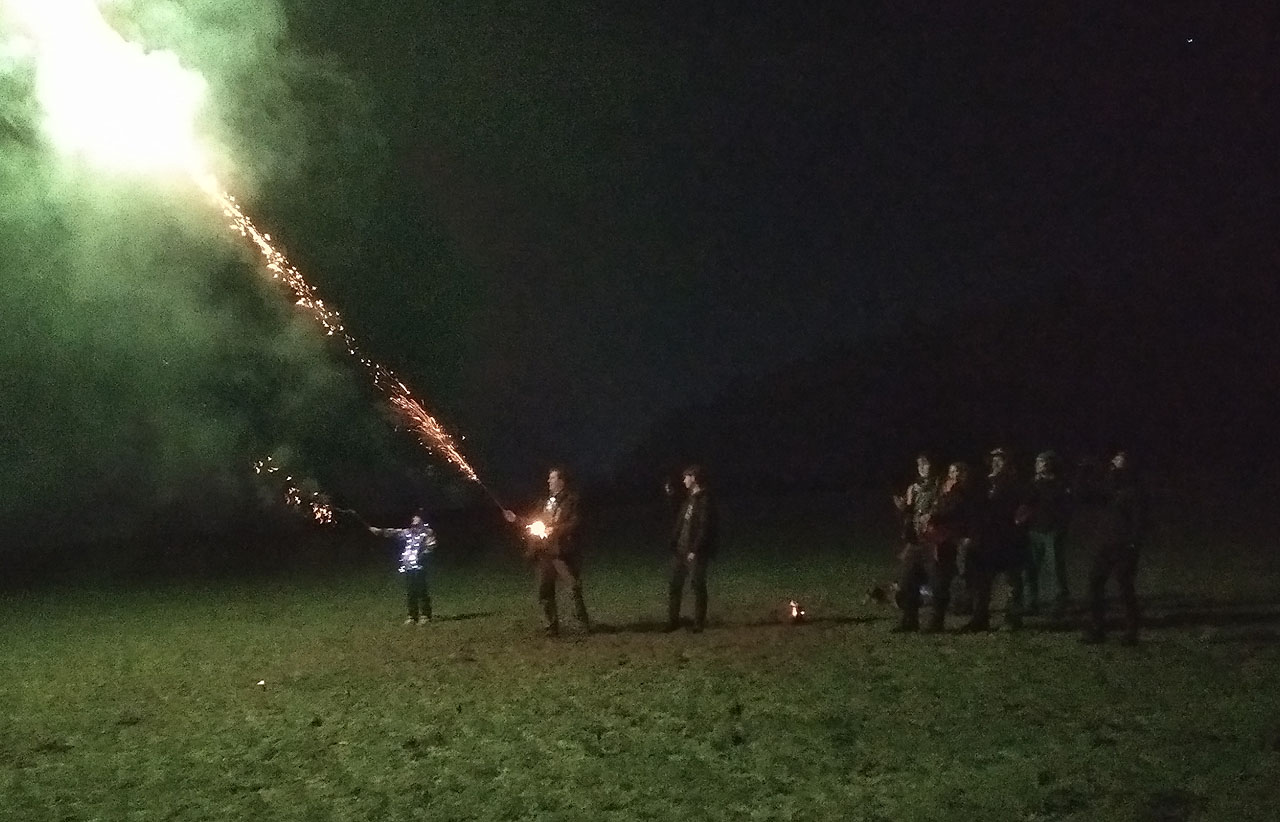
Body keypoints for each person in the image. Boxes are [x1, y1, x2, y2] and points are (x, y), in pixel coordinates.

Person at [503, 467, 590, 636]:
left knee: (573, 587)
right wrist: (516, 519)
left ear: (561, 481)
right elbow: (535, 522)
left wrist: (554, 530)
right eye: (549, 478)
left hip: (561, 551)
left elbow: (575, 523)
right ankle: (551, 626)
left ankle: (582, 624)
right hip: (543, 552)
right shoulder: (544, 502)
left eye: (552, 478)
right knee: (544, 590)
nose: (548, 481)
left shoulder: (572, 500)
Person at [1081, 450, 1147, 645]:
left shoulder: (1133, 491)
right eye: (1114, 458)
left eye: (1119, 459)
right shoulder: (1110, 488)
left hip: (1124, 546)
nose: (1113, 461)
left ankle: (1131, 631)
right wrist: (1083, 470)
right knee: (1095, 584)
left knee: (1125, 588)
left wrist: (1133, 545)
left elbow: (1139, 521)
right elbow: (1084, 493)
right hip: (1106, 545)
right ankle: (1097, 629)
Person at [962, 447, 1030, 632]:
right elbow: (974, 510)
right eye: (994, 459)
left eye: (1001, 459)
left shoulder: (1016, 484)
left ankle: (1012, 619)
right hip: (986, 541)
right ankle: (980, 618)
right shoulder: (983, 483)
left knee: (1012, 582)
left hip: (1008, 541)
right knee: (982, 583)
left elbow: (1023, 512)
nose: (996, 462)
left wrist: (1018, 525)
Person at [907, 461, 980, 632]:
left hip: (947, 541)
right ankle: (910, 620)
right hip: (928, 539)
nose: (954, 475)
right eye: (952, 471)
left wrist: (933, 516)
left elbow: (956, 513)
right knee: (912, 577)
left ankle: (940, 619)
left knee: (943, 580)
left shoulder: (963, 494)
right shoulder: (941, 489)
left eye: (958, 472)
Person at [890, 454, 942, 631]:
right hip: (915, 541)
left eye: (925, 464)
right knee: (907, 581)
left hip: (933, 542)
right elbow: (909, 514)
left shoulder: (940, 487)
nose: (921, 467)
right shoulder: (914, 488)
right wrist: (903, 508)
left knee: (937, 583)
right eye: (919, 464)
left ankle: (936, 622)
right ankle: (909, 621)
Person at [667, 465, 719, 632]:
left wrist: (694, 550)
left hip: (694, 552)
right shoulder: (690, 498)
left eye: (686, 477)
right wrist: (670, 495)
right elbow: (681, 516)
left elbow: (704, 528)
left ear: (694, 478)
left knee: (697, 586)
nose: (683, 480)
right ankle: (673, 621)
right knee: (675, 586)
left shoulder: (705, 500)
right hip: (680, 550)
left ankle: (698, 624)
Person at [1025, 450, 1073, 616]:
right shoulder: (1033, 483)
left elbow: (1066, 508)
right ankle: (1031, 601)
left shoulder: (1060, 484)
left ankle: (1059, 601)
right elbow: (1027, 503)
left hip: (1052, 531)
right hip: (1034, 530)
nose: (1038, 465)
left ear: (1051, 464)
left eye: (1042, 462)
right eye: (1037, 462)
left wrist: (1060, 527)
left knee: (1055, 568)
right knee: (1031, 567)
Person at [368, 511, 437, 624]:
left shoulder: (428, 533)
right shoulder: (408, 533)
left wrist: (422, 556)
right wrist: (379, 531)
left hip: (420, 567)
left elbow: (431, 546)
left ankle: (425, 615)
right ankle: (412, 616)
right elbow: (394, 532)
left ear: (422, 522)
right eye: (413, 523)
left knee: (421, 591)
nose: (414, 525)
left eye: (417, 523)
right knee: (411, 592)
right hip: (409, 567)